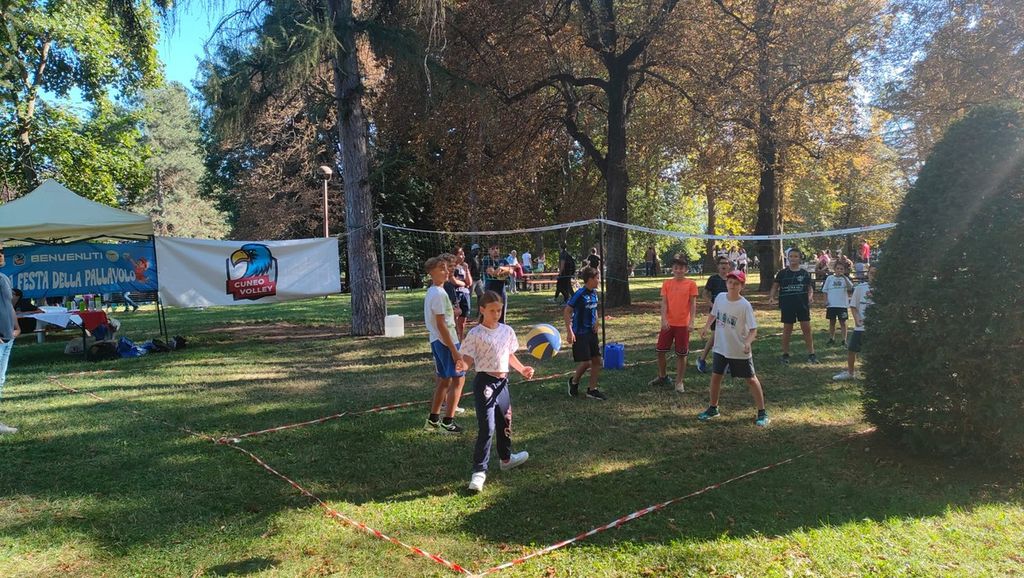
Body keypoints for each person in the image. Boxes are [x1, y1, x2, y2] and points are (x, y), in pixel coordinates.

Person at [456, 291, 534, 492]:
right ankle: (479, 472)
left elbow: (509, 355)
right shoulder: (476, 334)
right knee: (487, 427)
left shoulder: (507, 331)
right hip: (485, 384)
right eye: (492, 310)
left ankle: (506, 459)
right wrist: (462, 366)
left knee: (505, 421)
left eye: (499, 310)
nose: (497, 314)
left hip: (502, 384)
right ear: (482, 310)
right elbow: (468, 359)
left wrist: (522, 369)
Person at [697, 270, 769, 427]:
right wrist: (706, 327)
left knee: (750, 379)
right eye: (730, 282)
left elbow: (753, 330)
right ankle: (713, 408)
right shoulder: (720, 298)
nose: (732, 286)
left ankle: (762, 412)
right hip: (720, 348)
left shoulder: (744, 305)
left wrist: (748, 342)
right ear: (726, 283)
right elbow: (714, 314)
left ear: (742, 286)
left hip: (739, 350)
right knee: (716, 377)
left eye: (736, 283)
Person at [423, 256, 465, 433]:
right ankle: (448, 422)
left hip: (437, 340)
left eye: (447, 268)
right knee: (458, 379)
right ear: (431, 273)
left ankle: (433, 420)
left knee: (444, 379)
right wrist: (454, 351)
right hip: (445, 341)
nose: (447, 272)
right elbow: (441, 325)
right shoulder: (439, 294)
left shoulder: (433, 291)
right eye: (442, 269)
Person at [648, 256, 698, 393]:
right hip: (668, 324)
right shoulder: (667, 283)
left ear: (686, 270)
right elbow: (664, 303)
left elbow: (693, 304)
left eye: (681, 268)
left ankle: (679, 381)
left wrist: (692, 322)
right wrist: (663, 319)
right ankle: (662, 376)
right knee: (660, 351)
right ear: (672, 269)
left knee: (681, 354)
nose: (678, 270)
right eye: (676, 268)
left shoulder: (691, 284)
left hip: (683, 324)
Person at [768, 248, 818, 364]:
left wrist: (810, 297)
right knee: (787, 329)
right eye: (791, 256)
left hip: (802, 305)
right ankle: (785, 354)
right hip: (787, 305)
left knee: (806, 329)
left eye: (796, 256)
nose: (793, 258)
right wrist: (771, 297)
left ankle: (811, 354)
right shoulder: (782, 273)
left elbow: (809, 288)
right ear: (788, 257)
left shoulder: (804, 273)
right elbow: (775, 286)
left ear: (800, 258)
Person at [564, 266, 607, 400]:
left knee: (597, 361)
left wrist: (597, 322)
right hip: (580, 333)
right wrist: (569, 331)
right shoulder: (579, 294)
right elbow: (567, 311)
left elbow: (594, 309)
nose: (599, 281)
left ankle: (592, 390)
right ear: (590, 279)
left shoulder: (594, 293)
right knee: (587, 362)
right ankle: (574, 381)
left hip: (591, 332)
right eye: (597, 278)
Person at [834, 265, 875, 381]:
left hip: (877, 326)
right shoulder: (860, 288)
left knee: (875, 351)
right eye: (872, 273)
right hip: (861, 326)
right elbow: (853, 306)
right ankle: (850, 373)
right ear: (868, 274)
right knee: (852, 349)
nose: (874, 276)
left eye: (877, 274)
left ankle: (875, 374)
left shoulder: (885, 289)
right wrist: (857, 320)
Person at [696, 256, 732, 373]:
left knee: (728, 336)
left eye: (726, 263)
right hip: (716, 313)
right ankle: (701, 360)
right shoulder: (713, 279)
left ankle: (728, 363)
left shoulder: (732, 279)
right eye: (721, 263)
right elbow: (704, 294)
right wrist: (712, 305)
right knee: (715, 335)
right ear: (718, 266)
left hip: (730, 312)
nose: (724, 265)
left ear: (729, 266)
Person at [0, 242, 21, 434]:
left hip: (8, 337)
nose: (1, 255)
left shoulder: (4, 278)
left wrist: (17, 327)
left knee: (0, 379)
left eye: (2, 251)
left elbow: (9, 306)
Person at [820, 260, 853, 346]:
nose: (839, 270)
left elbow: (850, 288)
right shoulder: (830, 278)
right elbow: (825, 290)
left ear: (844, 270)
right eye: (838, 268)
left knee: (843, 322)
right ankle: (832, 338)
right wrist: (825, 300)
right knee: (832, 322)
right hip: (832, 304)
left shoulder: (845, 279)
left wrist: (844, 277)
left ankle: (844, 340)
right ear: (834, 269)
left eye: (841, 269)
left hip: (842, 305)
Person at [481, 244, 513, 323]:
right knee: (490, 313)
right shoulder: (486, 260)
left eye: (497, 248)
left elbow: (511, 270)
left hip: (501, 290)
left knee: (501, 314)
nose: (495, 250)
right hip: (490, 290)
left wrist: (501, 268)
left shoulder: (503, 260)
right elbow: (493, 273)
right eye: (493, 249)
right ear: (489, 251)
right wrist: (503, 271)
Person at [451, 247, 473, 343]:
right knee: (455, 317)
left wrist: (466, 270)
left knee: (463, 318)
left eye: (463, 254)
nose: (463, 256)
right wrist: (463, 283)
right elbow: (453, 281)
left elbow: (470, 282)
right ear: (454, 256)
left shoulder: (463, 267)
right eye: (460, 254)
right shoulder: (451, 267)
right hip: (455, 294)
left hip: (465, 294)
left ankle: (461, 339)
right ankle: (455, 339)